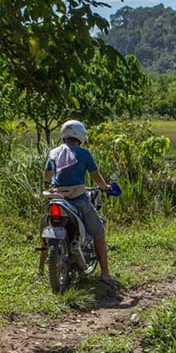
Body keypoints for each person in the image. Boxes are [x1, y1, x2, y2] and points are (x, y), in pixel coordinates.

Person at [44, 120, 116, 284]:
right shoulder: (84, 154)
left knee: (47, 225)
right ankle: (105, 274)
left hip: (56, 198)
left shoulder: (53, 153)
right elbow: (96, 177)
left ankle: (42, 270)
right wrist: (105, 187)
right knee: (98, 232)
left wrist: (52, 185)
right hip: (78, 199)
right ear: (80, 135)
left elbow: (47, 175)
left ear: (64, 135)